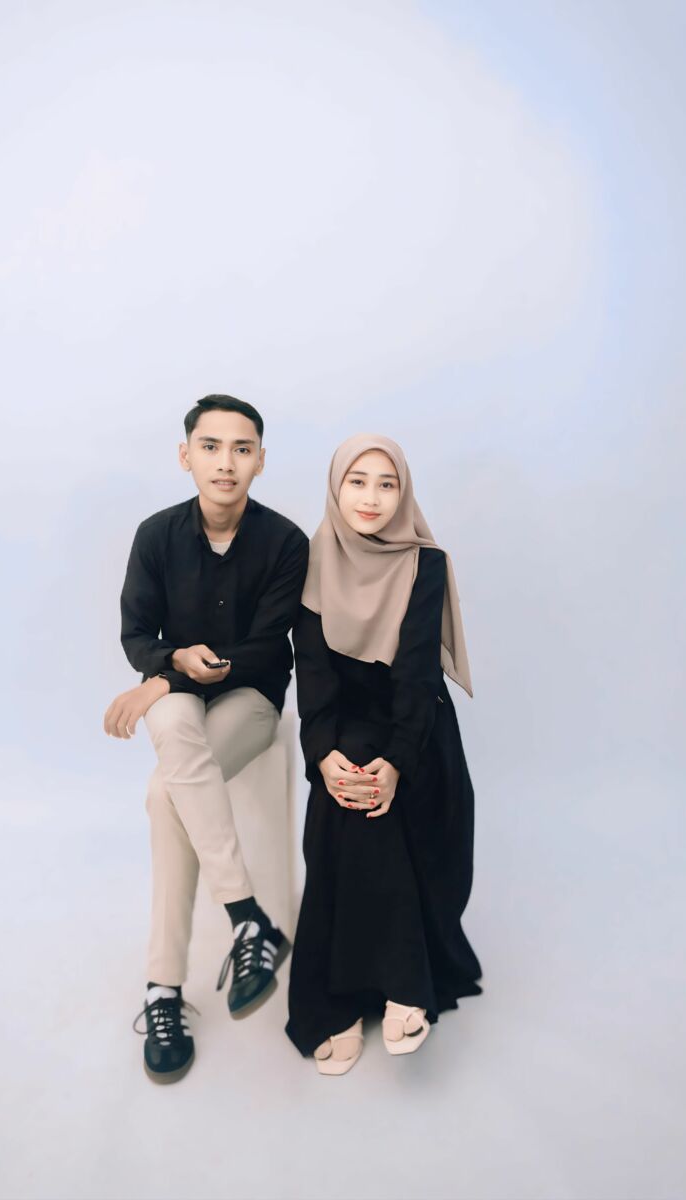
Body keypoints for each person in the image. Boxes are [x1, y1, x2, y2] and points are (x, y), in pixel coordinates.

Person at [103, 395, 308, 1084]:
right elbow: (137, 633)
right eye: (211, 446)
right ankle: (248, 919)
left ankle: (162, 989)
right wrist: (170, 669)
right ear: (185, 455)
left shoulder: (286, 543)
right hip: (179, 702)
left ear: (260, 461)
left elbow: (265, 648)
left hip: (250, 698)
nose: (226, 462)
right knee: (171, 730)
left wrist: (161, 678)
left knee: (166, 796)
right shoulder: (156, 535)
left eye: (241, 448)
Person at [285, 433, 482, 1074]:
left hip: (416, 733)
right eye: (357, 481)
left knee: (371, 792)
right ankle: (388, 983)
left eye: (386, 483)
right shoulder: (313, 559)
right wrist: (322, 755)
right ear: (335, 487)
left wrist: (395, 762)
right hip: (341, 727)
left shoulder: (426, 563)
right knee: (347, 786)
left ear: (404, 493)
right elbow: (313, 677)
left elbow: (417, 680)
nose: (371, 497)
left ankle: (367, 991)